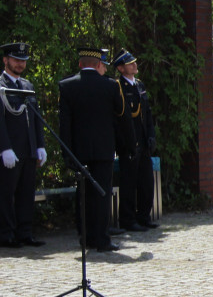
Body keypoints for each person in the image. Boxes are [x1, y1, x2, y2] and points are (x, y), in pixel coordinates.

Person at [58, 47, 130, 252]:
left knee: (83, 193)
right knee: (101, 194)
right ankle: (101, 238)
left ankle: (85, 236)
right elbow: (121, 116)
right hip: (103, 149)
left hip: (78, 151)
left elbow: (65, 124)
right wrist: (126, 144)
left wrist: (67, 152)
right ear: (99, 65)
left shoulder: (66, 86)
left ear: (80, 64)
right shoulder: (110, 86)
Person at [1, 42, 47, 248]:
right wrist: (3, 148)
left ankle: (25, 232)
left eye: (23, 61)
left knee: (27, 192)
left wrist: (40, 145)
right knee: (6, 193)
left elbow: (35, 118)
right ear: (6, 60)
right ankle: (6, 233)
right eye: (16, 60)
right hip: (9, 150)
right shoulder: (1, 85)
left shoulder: (27, 86)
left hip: (28, 148)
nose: (20, 64)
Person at [112, 50, 158, 231]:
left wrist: (151, 135)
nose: (134, 65)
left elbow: (147, 113)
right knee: (129, 183)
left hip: (143, 141)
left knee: (146, 181)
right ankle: (128, 220)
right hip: (129, 143)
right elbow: (119, 118)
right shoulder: (118, 87)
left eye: (134, 62)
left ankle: (144, 216)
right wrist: (125, 143)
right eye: (130, 64)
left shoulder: (139, 85)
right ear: (121, 68)